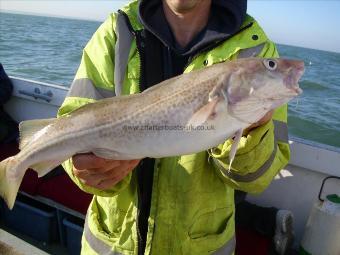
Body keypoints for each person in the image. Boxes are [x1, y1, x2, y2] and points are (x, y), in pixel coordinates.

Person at [58, 0, 292, 254]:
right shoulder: (118, 30)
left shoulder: (256, 50)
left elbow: (254, 179)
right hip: (111, 245)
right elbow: (72, 124)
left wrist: (250, 131)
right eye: (271, 67)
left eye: (272, 68)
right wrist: (86, 168)